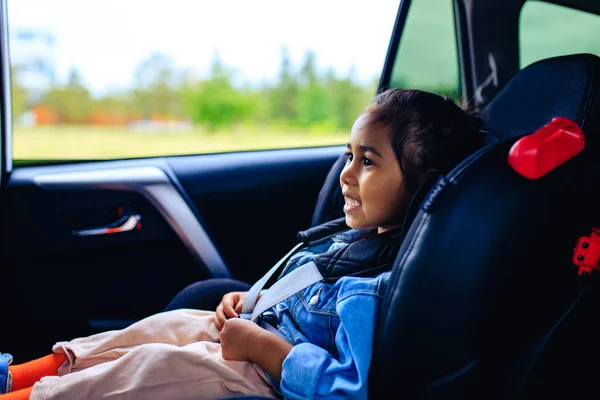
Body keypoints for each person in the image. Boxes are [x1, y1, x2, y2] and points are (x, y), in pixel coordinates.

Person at [0, 89, 485, 400]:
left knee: (153, 365)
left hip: (262, 375)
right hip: (252, 332)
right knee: (164, 327)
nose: (346, 174)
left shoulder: (373, 290)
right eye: (348, 155)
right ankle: (21, 374)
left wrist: (263, 347)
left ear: (421, 187)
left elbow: (347, 390)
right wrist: (249, 299)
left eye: (369, 162)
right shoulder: (352, 240)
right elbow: (297, 288)